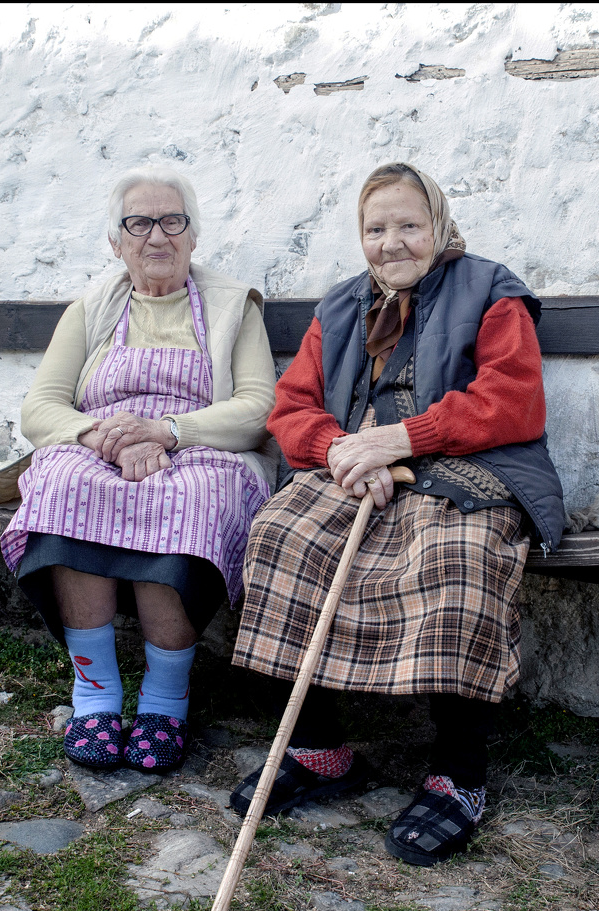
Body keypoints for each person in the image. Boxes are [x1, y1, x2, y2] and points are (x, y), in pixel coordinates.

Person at [230, 162, 565, 865]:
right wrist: (344, 450)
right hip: (361, 471)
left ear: (437, 224)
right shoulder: (341, 307)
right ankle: (318, 750)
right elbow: (291, 410)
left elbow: (512, 400)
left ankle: (459, 774)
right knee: (283, 535)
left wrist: (401, 439)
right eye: (375, 229)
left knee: (457, 557)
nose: (392, 243)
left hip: (472, 468)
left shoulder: (490, 290)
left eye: (409, 225)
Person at [1, 165, 277, 773]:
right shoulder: (91, 309)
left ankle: (165, 700)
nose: (157, 236)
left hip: (203, 448)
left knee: (190, 496)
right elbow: (40, 408)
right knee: (63, 482)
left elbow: (259, 410)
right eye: (139, 223)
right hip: (101, 446)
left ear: (193, 236)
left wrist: (167, 431)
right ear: (116, 241)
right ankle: (95, 694)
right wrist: (101, 436)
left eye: (172, 221)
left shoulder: (234, 306)